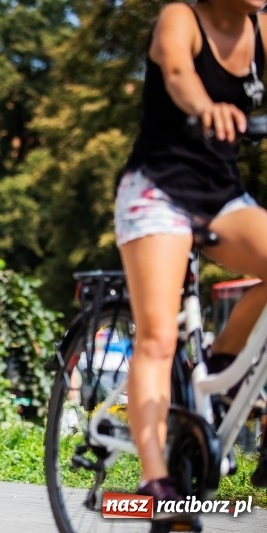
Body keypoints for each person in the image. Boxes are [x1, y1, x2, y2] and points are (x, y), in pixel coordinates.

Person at [115, 0, 267, 522]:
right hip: (156, 191)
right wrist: (205, 106)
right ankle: (157, 481)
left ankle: (221, 369)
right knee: (158, 336)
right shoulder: (181, 17)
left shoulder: (262, 29)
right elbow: (178, 72)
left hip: (221, 194)